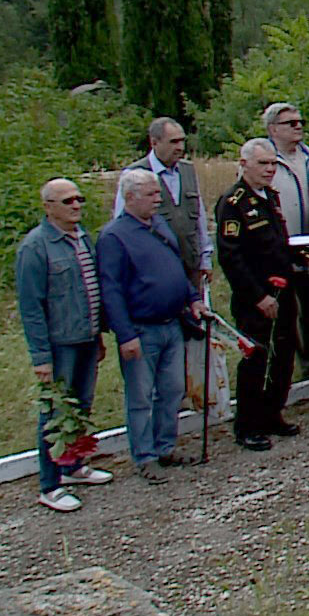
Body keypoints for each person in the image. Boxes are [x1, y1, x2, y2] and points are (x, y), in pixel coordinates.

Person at [98, 168, 208, 483]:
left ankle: (165, 447)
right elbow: (111, 290)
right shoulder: (114, 237)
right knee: (141, 396)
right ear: (130, 197)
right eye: (151, 194)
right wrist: (125, 334)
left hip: (171, 323)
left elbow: (176, 266)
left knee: (172, 389)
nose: (158, 200)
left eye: (158, 193)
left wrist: (192, 298)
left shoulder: (158, 226)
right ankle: (144, 457)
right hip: (141, 329)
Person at [17, 178, 112, 512]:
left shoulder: (84, 239)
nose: (76, 206)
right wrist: (41, 357)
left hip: (86, 337)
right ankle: (50, 484)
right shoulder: (36, 247)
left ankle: (74, 466)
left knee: (81, 407)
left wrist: (98, 334)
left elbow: (91, 292)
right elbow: (31, 307)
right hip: (60, 344)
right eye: (67, 201)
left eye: (79, 199)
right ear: (48, 207)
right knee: (55, 415)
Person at [114, 117, 213, 420]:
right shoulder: (134, 176)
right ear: (154, 143)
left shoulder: (187, 171)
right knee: (158, 344)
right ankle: (163, 406)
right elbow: (123, 227)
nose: (180, 148)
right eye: (173, 142)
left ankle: (191, 393)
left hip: (189, 270)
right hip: (152, 276)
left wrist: (205, 257)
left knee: (192, 337)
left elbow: (197, 217)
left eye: (183, 141)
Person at [215, 139, 301, 451]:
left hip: (283, 290)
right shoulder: (234, 202)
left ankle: (271, 412)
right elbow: (231, 257)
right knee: (256, 360)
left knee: (284, 354)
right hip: (257, 296)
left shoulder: (271, 198)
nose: (269, 170)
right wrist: (257, 297)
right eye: (263, 164)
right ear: (245, 164)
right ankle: (247, 424)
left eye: (273, 164)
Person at [264, 102, 309, 380]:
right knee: (287, 310)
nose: (298, 126)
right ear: (273, 129)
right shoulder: (265, 161)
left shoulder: (308, 158)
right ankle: (285, 366)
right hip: (280, 245)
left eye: (300, 121)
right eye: (291, 123)